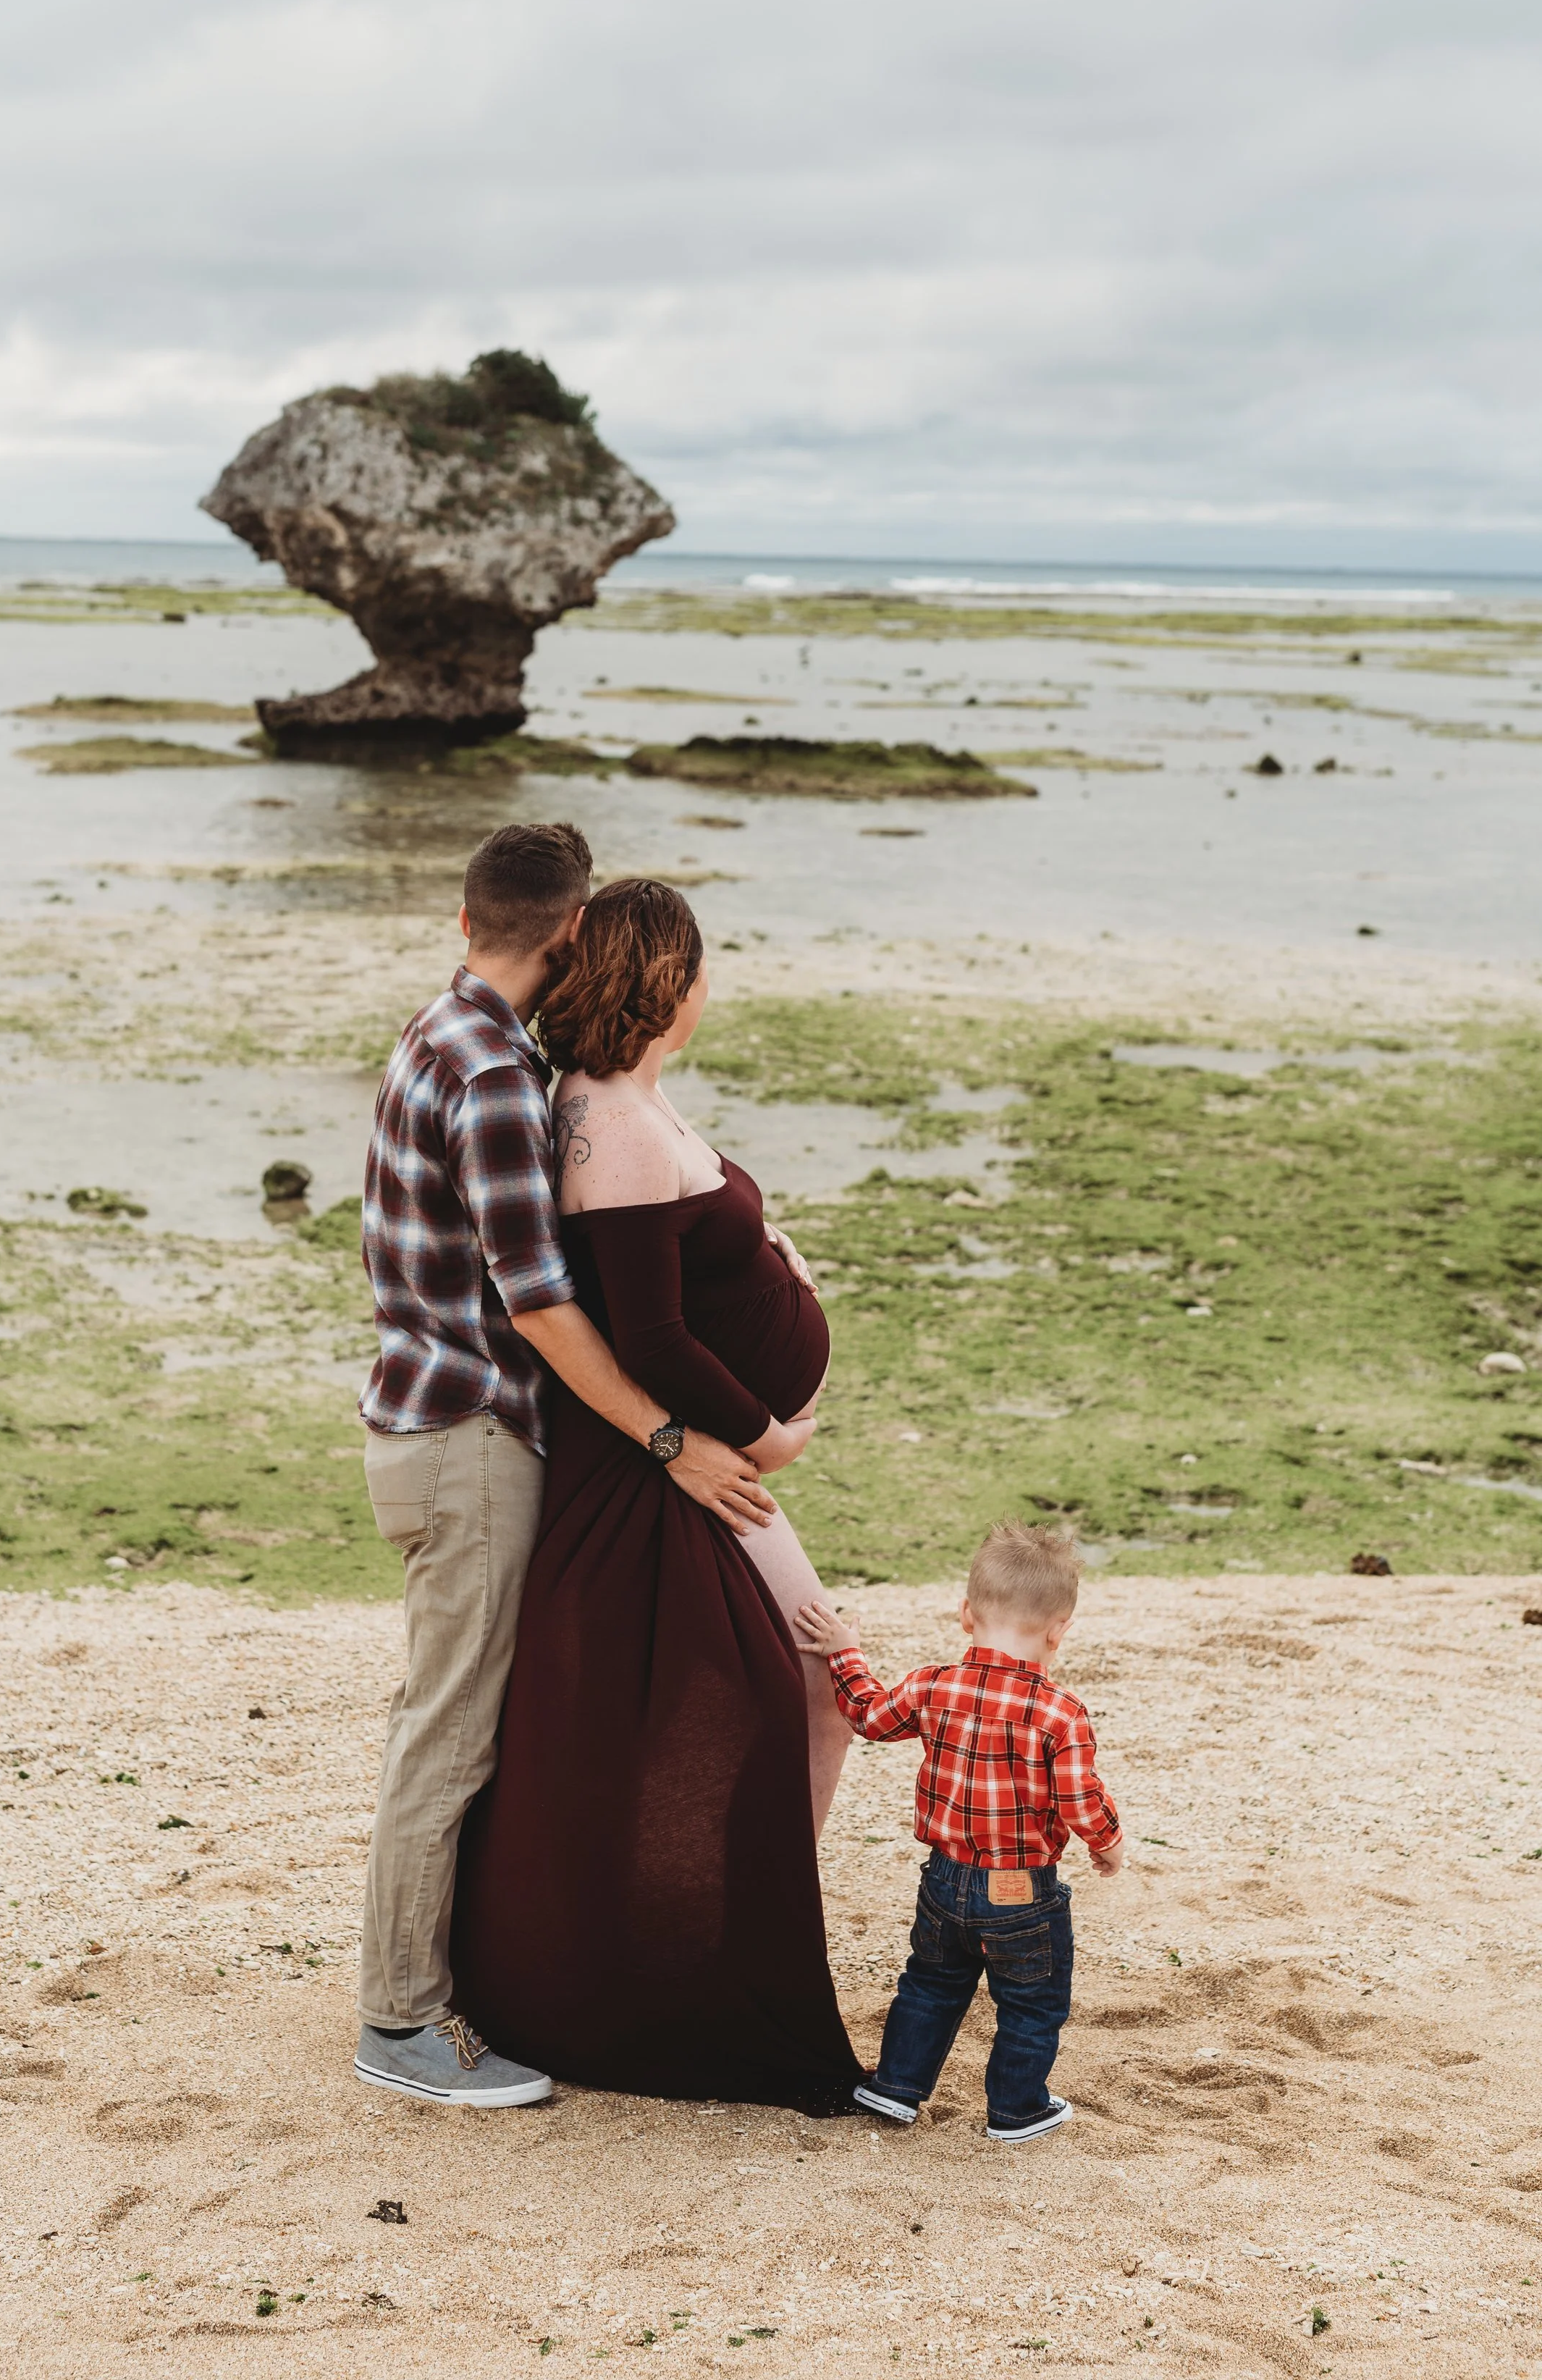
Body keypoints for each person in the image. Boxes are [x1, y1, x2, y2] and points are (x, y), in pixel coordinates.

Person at [355, 824, 776, 2111]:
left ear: (465, 917)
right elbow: (539, 1303)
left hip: (430, 1425)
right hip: (470, 1438)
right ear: (572, 931)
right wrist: (671, 1440)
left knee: (449, 1716)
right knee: (451, 1731)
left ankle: (453, 1976)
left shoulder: (446, 1031)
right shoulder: (488, 1073)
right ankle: (399, 2023)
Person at [450, 878, 861, 2112]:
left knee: (805, 1685)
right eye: (696, 967)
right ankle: (713, 1955)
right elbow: (653, 1331)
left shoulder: (623, 1097)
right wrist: (760, 1432)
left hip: (692, 1468)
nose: (704, 987)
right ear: (666, 983)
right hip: (674, 1474)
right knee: (811, 1680)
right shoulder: (606, 1123)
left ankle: (719, 1936)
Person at [795, 1521, 1124, 2142]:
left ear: (965, 1613)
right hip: (1022, 1891)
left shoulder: (932, 1685)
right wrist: (1107, 1843)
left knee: (930, 1982)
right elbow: (1080, 1798)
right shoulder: (1061, 1712)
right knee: (1032, 2003)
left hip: (944, 1880)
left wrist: (844, 1651)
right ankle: (1017, 2109)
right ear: (1060, 1631)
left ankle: (896, 2087)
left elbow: (867, 1714)